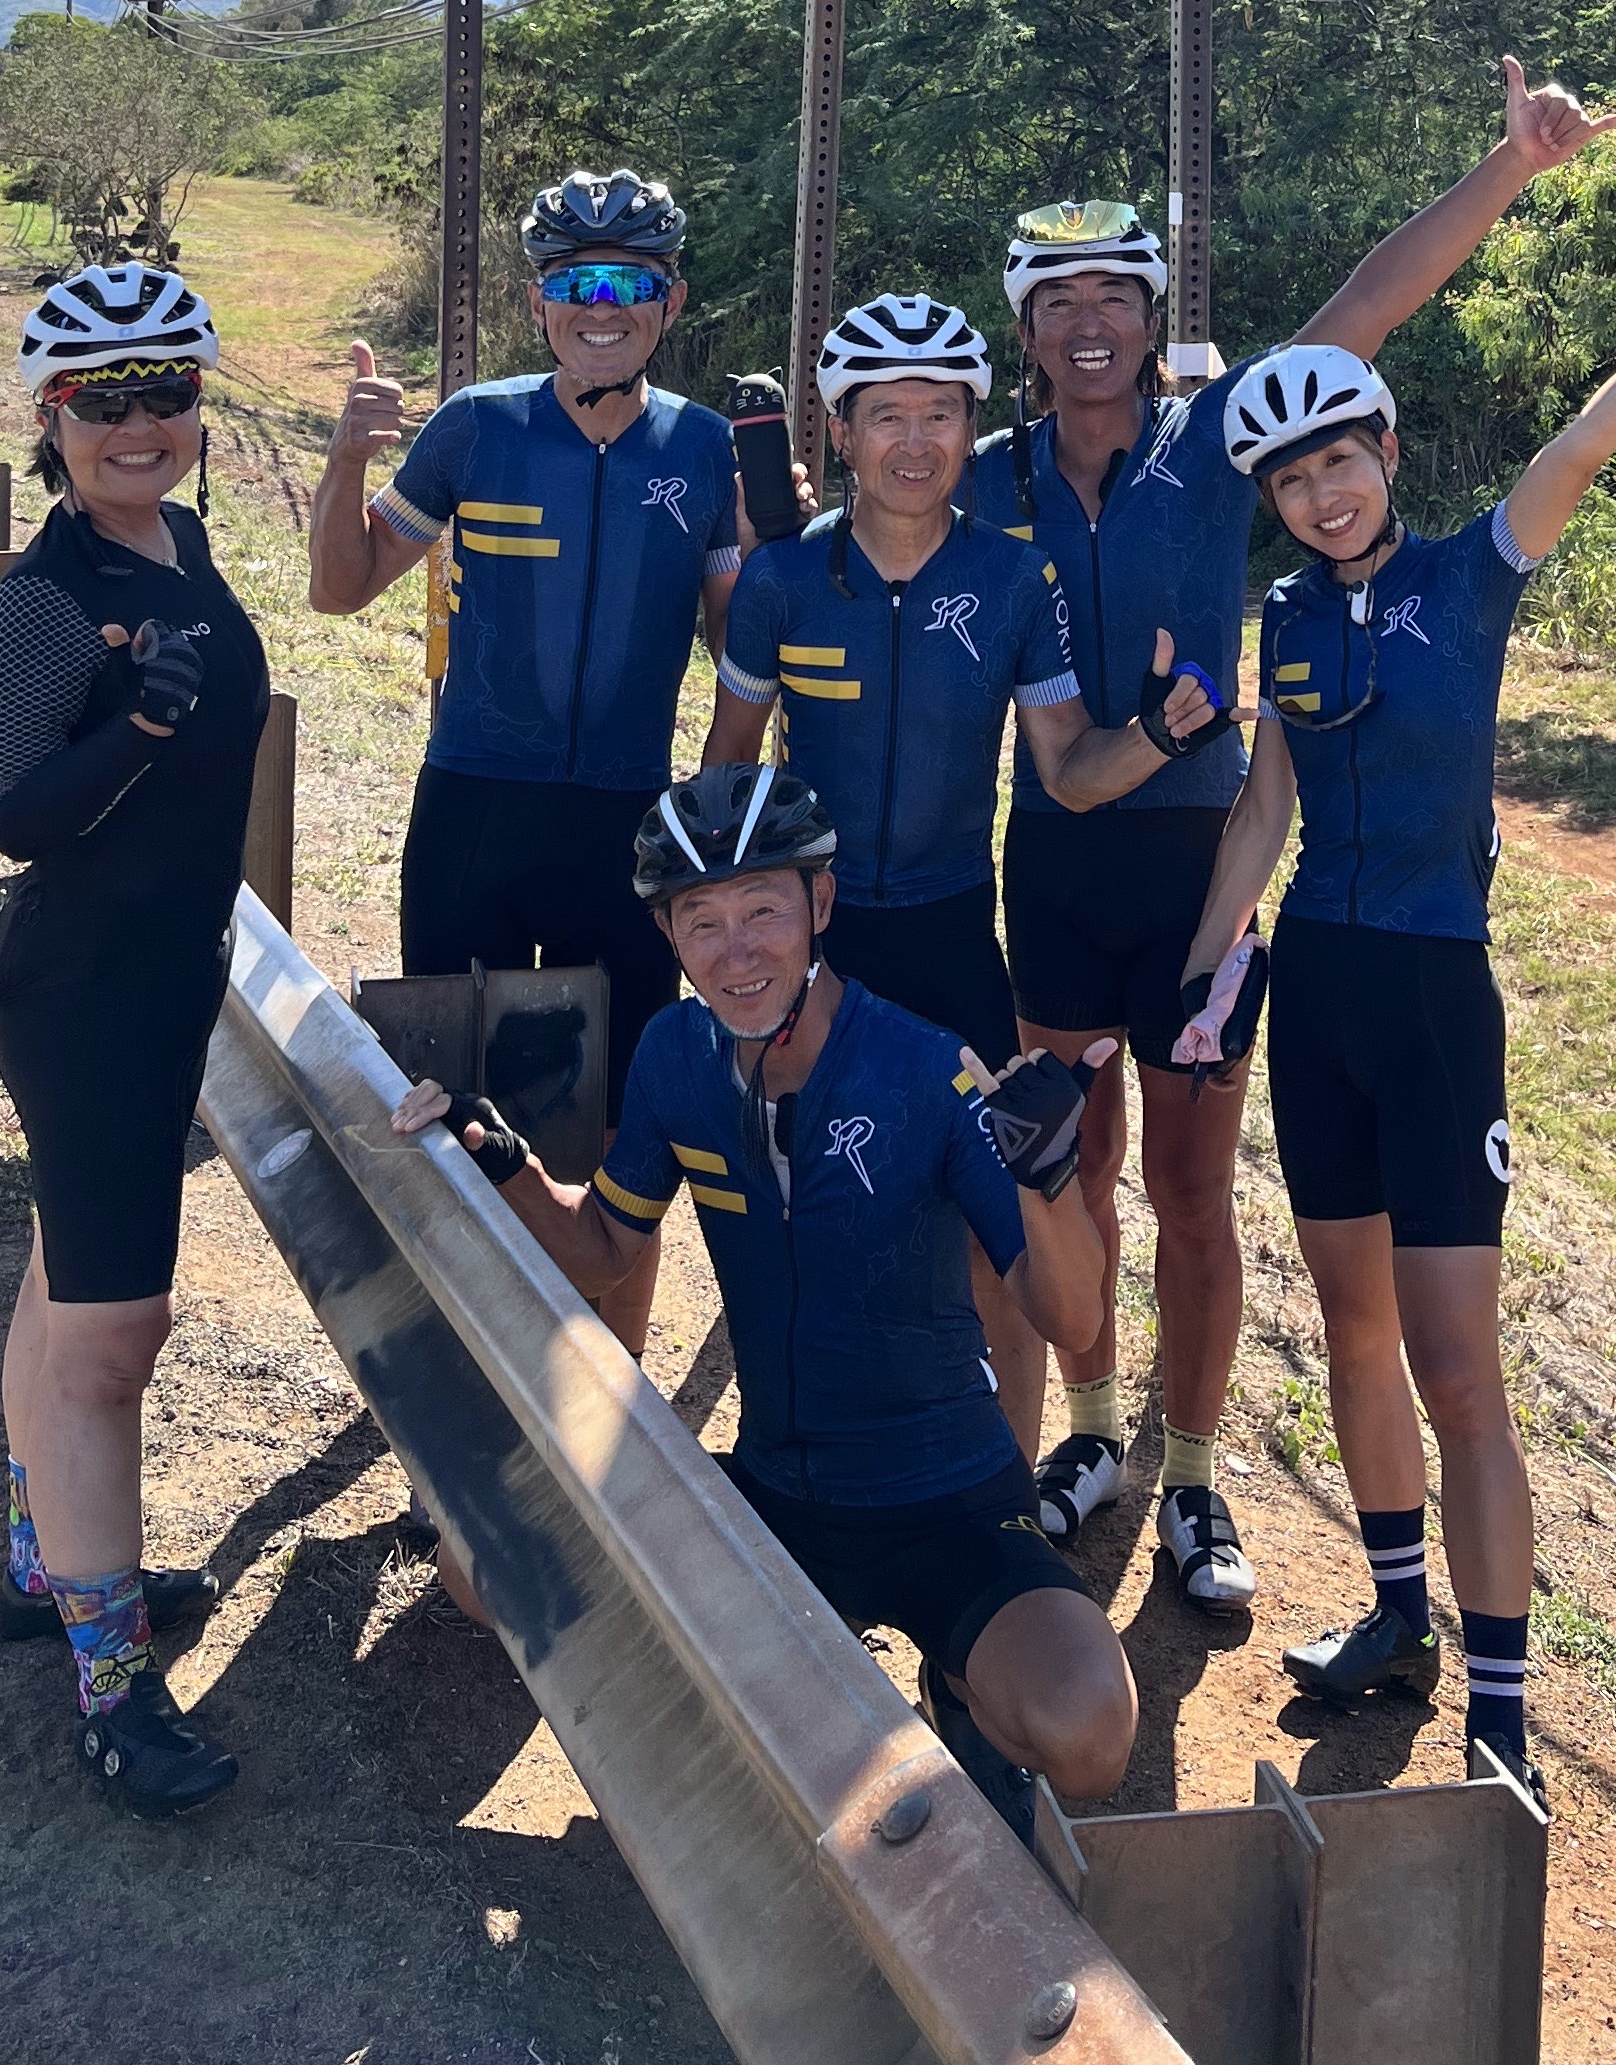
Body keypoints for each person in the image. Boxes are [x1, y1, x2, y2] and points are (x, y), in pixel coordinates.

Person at [968, 62, 1616, 1615]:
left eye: (1115, 296)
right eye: (1058, 302)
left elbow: (1370, 308)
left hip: (1195, 858)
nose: (1089, 323)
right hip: (1053, 860)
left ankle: (1196, 1474)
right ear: (1029, 333)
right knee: (1072, 1170)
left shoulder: (1215, 442)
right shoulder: (988, 478)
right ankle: (1092, 1432)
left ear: (1152, 318)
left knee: (1192, 1192)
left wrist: (1509, 168)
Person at [1170, 215, 1616, 1799]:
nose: (1321, 495)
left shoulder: (1469, 576)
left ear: (1385, 449)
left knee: (1456, 1369)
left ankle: (1502, 1721)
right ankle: (1397, 1620)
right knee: (1353, 1334)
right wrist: (1198, 981)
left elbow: (1578, 450)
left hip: (1437, 1001)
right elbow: (1263, 813)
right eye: (1290, 481)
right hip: (1321, 998)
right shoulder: (1291, 619)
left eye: (1339, 460)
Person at [393, 761, 1137, 1843]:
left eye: (763, 912)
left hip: (949, 1503)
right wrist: (503, 1160)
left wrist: (1051, 1184)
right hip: (774, 1501)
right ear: (667, 934)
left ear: (820, 904)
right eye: (702, 922)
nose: (736, 953)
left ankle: (957, 1689)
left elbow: (1071, 1321)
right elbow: (603, 1249)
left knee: (1089, 1733)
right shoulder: (675, 1057)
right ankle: (747, 1705)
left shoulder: (927, 1070)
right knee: (482, 1564)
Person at [701, 291, 1175, 1450]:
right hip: (818, 948)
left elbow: (1068, 770)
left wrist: (1164, 733)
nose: (915, 443)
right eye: (887, 417)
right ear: (842, 432)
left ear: (974, 428)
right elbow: (727, 771)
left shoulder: (1014, 581)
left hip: (954, 939)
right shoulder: (781, 583)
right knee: (809, 1224)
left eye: (942, 415)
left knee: (990, 1236)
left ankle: (999, 1501)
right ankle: (805, 1473)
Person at [309, 168, 752, 1345]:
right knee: (455, 1105)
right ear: (538, 301)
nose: (602, 308)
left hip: (624, 821)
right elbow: (343, 587)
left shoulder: (706, 449)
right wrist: (346, 460)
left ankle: (612, 1384)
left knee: (618, 1129)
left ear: (670, 300)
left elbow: (739, 652)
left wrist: (774, 546)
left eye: (629, 283)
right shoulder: (475, 426)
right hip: (476, 814)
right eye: (576, 283)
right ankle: (469, 1367)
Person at [0, 259, 272, 1823]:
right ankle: (110, 1689)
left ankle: (48, 1566)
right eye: (103, 399)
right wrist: (138, 729)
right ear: (50, 420)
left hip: (158, 986)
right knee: (114, 1335)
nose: (139, 423)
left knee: (65, 1273)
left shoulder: (179, 544)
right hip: (89, 998)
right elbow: (14, 813)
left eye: (168, 391)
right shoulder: (42, 605)